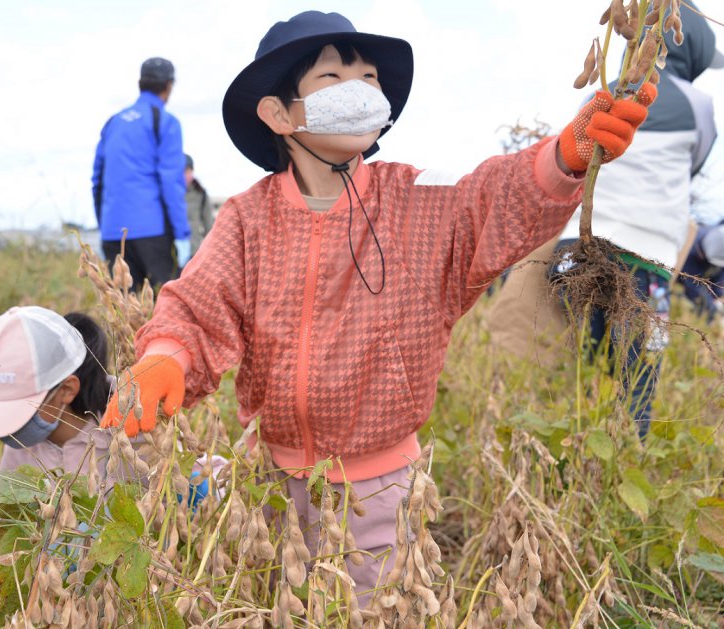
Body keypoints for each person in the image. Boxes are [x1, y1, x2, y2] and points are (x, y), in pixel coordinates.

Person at [101, 11, 654, 597]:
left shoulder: (416, 199)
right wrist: (167, 354)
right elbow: (199, 302)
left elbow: (491, 196)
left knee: (372, 605)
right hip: (271, 475)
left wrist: (564, 155)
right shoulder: (247, 219)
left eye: (369, 77)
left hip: (381, 487)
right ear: (278, 114)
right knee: (275, 599)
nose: (362, 88)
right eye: (335, 76)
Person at [487, 0, 721, 438]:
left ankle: (557, 452)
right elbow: (696, 161)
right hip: (644, 263)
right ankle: (623, 457)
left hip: (575, 247)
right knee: (636, 379)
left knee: (574, 370)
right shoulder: (699, 104)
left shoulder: (605, 90)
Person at [0, 306, 117, 479]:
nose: (4, 427)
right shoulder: (20, 451)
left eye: (14, 412)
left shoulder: (132, 437)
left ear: (66, 390)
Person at [92, 57, 191, 290]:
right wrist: (182, 234)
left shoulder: (113, 123)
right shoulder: (165, 122)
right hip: (152, 232)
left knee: (124, 310)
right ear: (168, 86)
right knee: (163, 308)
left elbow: (97, 181)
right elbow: (171, 181)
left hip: (113, 233)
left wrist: (104, 224)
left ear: (140, 84)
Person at [678, 220, 724, 321]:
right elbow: (692, 284)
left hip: (711, 260)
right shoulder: (691, 247)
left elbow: (719, 281)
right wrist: (710, 305)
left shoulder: (719, 246)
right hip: (687, 267)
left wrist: (718, 297)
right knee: (704, 304)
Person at [183, 154, 215, 264]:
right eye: (182, 171)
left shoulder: (200, 194)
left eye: (188, 171)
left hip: (195, 251)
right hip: (174, 251)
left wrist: (209, 252)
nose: (185, 175)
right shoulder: (171, 194)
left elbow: (209, 225)